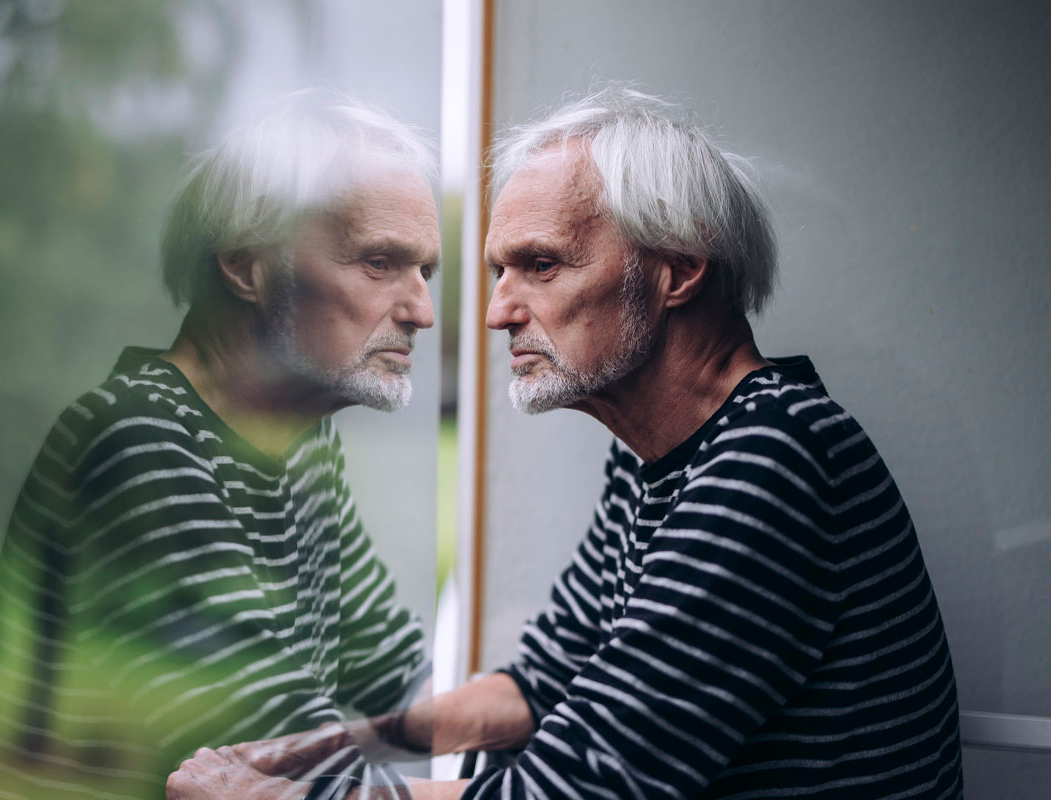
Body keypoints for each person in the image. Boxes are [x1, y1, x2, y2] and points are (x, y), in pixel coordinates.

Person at [167, 85, 964, 799]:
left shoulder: (771, 461)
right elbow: (538, 684)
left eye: (540, 266)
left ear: (677, 269)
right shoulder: (658, 456)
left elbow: (576, 788)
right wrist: (307, 754)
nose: (496, 312)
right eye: (498, 272)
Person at [0, 94, 441, 800]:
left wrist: (583, 729)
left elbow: (394, 676)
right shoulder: (139, 441)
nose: (421, 311)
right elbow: (289, 774)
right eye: (379, 263)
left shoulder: (295, 446)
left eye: (425, 272)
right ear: (248, 267)